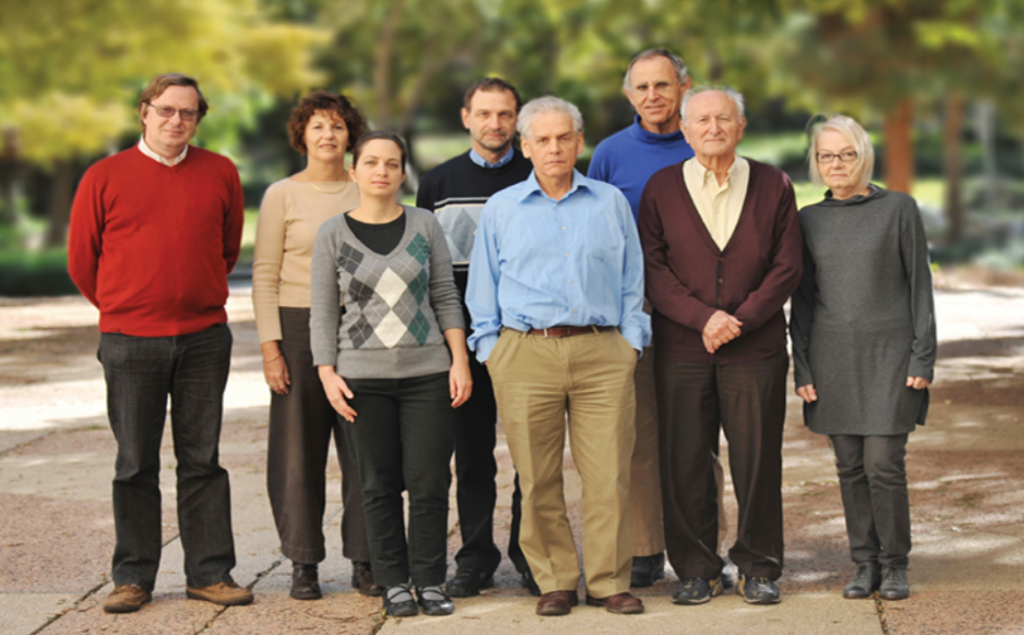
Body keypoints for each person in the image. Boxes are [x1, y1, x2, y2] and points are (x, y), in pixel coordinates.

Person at [68, 73, 253, 613]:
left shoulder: (220, 171)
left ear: (199, 118)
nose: (177, 121)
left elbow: (226, 249)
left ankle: (211, 573)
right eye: (167, 110)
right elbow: (83, 261)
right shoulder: (104, 176)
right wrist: (126, 307)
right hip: (129, 342)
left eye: (189, 113)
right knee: (134, 463)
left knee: (203, 461)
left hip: (202, 339)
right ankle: (133, 577)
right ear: (144, 111)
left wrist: (191, 297)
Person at [466, 96, 651, 617]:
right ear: (525, 147)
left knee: (609, 474)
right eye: (542, 139)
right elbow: (484, 287)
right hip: (525, 353)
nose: (554, 148)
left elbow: (632, 277)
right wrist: (491, 350)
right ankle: (555, 580)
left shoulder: (610, 201)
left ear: (578, 142)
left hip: (603, 350)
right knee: (538, 476)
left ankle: (609, 580)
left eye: (563, 137)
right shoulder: (502, 208)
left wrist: (630, 341)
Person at [638, 86, 803, 606]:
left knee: (757, 461)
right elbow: (653, 268)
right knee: (684, 459)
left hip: (755, 350)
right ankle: (696, 569)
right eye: (702, 120)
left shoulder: (774, 184)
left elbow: (787, 266)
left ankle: (758, 566)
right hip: (682, 350)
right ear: (684, 130)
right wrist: (702, 318)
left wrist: (741, 319)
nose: (713, 128)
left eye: (724, 119)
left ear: (742, 126)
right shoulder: (661, 188)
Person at [310, 131, 472, 618]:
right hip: (362, 378)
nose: (381, 171)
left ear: (403, 173)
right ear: (354, 170)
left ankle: (430, 581)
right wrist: (326, 373)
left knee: (429, 483)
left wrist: (459, 360)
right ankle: (393, 582)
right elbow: (322, 312)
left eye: (392, 163)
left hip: (428, 373)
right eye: (371, 162)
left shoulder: (424, 224)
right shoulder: (332, 233)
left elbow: (444, 294)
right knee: (377, 484)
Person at [589, 48, 731, 589]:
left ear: (684, 88)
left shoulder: (707, 140)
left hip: (703, 311)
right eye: (642, 87)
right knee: (641, 432)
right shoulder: (609, 153)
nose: (653, 96)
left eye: (664, 85)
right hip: (637, 307)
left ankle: (705, 545)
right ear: (630, 95)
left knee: (700, 434)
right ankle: (645, 548)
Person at [791, 114, 935, 602]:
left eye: (846, 154)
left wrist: (923, 358)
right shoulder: (808, 220)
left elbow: (921, 288)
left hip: (891, 358)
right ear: (815, 163)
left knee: (884, 464)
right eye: (826, 156)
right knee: (849, 465)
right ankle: (864, 563)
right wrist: (803, 366)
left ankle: (895, 563)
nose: (836, 164)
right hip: (832, 357)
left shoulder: (899, 209)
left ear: (863, 156)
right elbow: (804, 300)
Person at [252, 91, 382, 600]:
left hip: (362, 328)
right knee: (297, 452)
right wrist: (271, 350)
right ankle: (303, 561)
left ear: (351, 135)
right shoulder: (281, 194)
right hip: (297, 326)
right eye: (317, 126)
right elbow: (263, 275)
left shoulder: (366, 188)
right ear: (301, 135)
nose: (328, 135)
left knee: (365, 449)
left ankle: (366, 558)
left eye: (338, 126)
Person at [415, 77, 535, 597]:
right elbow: (426, 270)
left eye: (505, 114)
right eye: (484, 113)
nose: (495, 124)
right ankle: (476, 557)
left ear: (518, 119)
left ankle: (533, 553)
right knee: (471, 455)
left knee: (535, 454)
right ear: (466, 117)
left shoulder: (540, 173)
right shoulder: (438, 182)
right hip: (463, 342)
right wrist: (447, 347)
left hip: (527, 339)